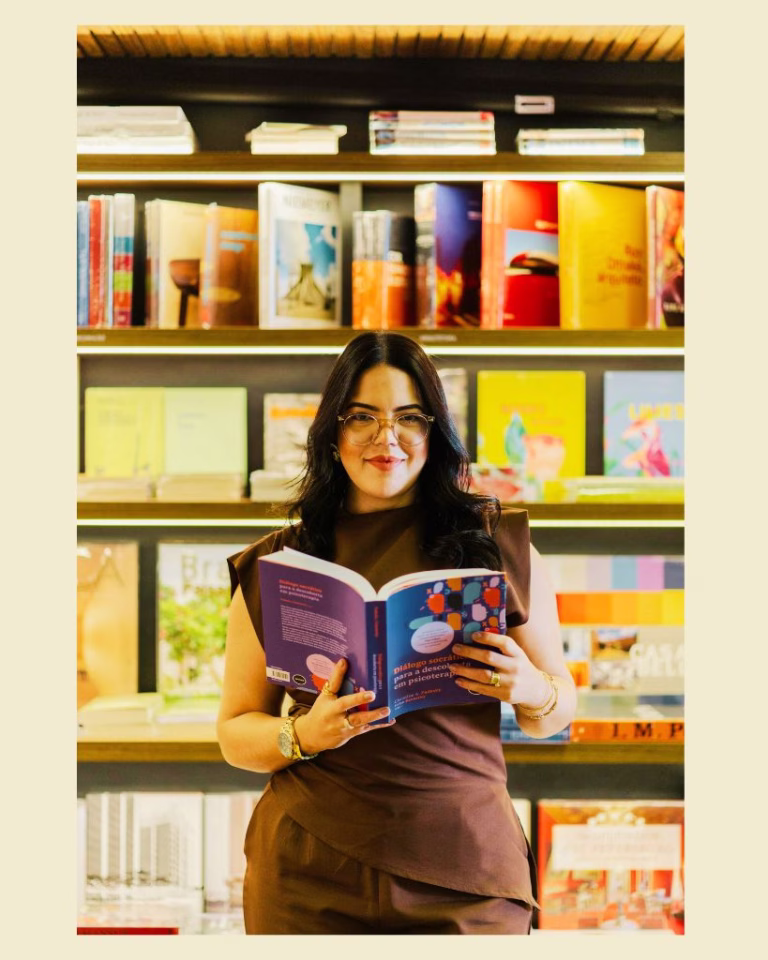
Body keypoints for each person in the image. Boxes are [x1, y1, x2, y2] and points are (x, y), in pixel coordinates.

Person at [217, 331, 577, 935]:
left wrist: (530, 687)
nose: (387, 439)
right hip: (307, 869)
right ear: (332, 434)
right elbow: (234, 732)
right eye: (363, 418)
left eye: (409, 418)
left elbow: (558, 709)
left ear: (434, 434)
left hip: (465, 866)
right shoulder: (278, 563)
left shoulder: (496, 545)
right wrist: (303, 734)